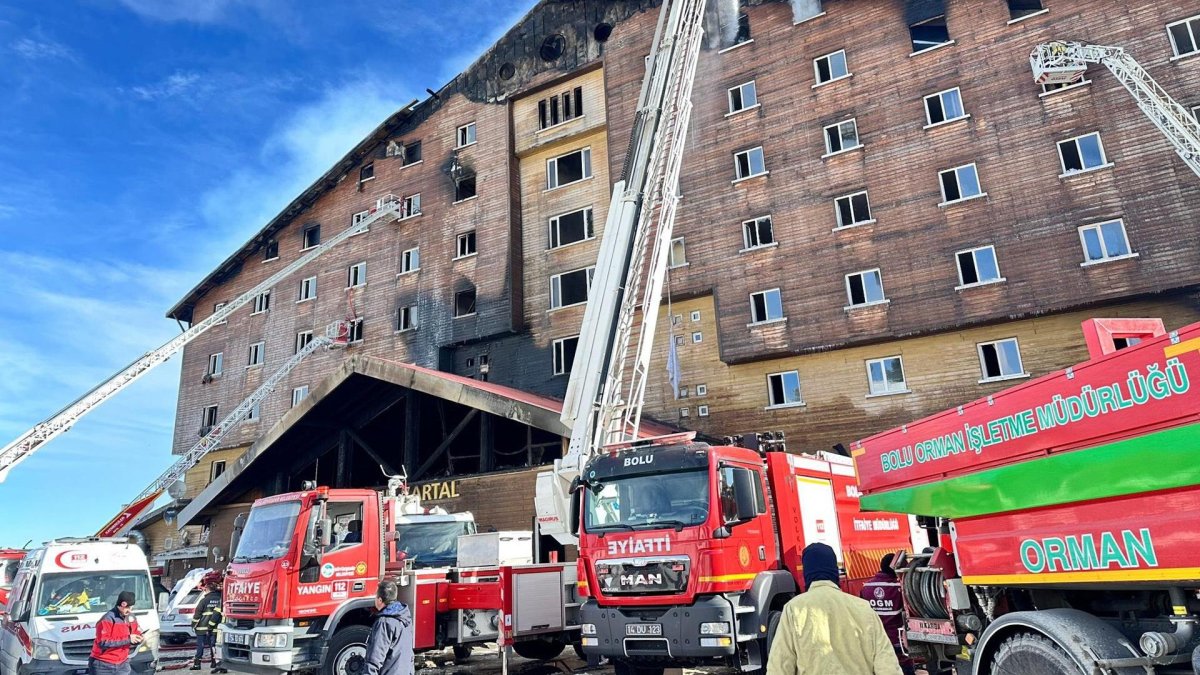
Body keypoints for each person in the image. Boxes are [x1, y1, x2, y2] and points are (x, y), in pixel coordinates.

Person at [767, 543, 902, 675]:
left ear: (807, 573)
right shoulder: (863, 608)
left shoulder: (794, 609)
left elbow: (779, 667)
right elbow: (887, 666)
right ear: (834, 571)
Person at [861, 553, 916, 675]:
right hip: (899, 644)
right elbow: (911, 612)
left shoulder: (866, 587)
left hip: (876, 643)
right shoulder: (900, 588)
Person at [364, 580, 414, 675]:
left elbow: (375, 658)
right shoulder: (405, 616)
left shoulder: (384, 622)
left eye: (375, 596)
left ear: (379, 600)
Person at [89, 591, 143, 675]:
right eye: (127, 608)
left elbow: (136, 632)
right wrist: (129, 639)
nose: (129, 610)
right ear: (121, 605)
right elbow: (103, 642)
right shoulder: (107, 619)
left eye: (131, 607)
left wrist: (139, 638)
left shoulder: (131, 617)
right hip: (102, 664)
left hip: (122, 663)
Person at [191, 571, 226, 673]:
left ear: (207, 589)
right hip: (215, 628)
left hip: (202, 629)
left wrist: (193, 625)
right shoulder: (221, 599)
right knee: (214, 646)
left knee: (200, 647)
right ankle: (214, 663)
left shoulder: (203, 601)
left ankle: (197, 664)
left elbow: (197, 615)